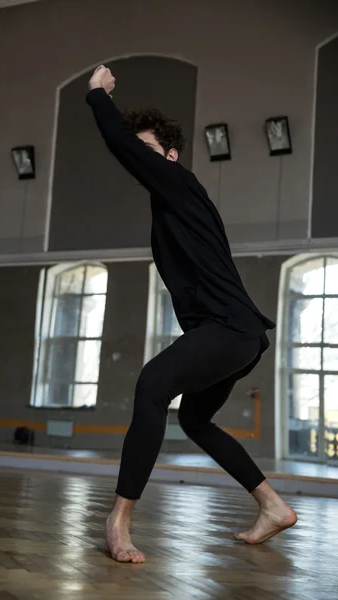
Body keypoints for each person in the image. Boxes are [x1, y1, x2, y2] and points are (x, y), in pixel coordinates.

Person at [86, 65, 297, 564]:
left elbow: (119, 142)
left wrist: (97, 94)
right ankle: (273, 506)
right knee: (197, 419)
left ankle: (118, 520)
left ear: (170, 155)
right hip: (236, 334)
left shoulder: (180, 184)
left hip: (229, 329)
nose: (141, 161)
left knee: (152, 385)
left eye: (148, 152)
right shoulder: (170, 203)